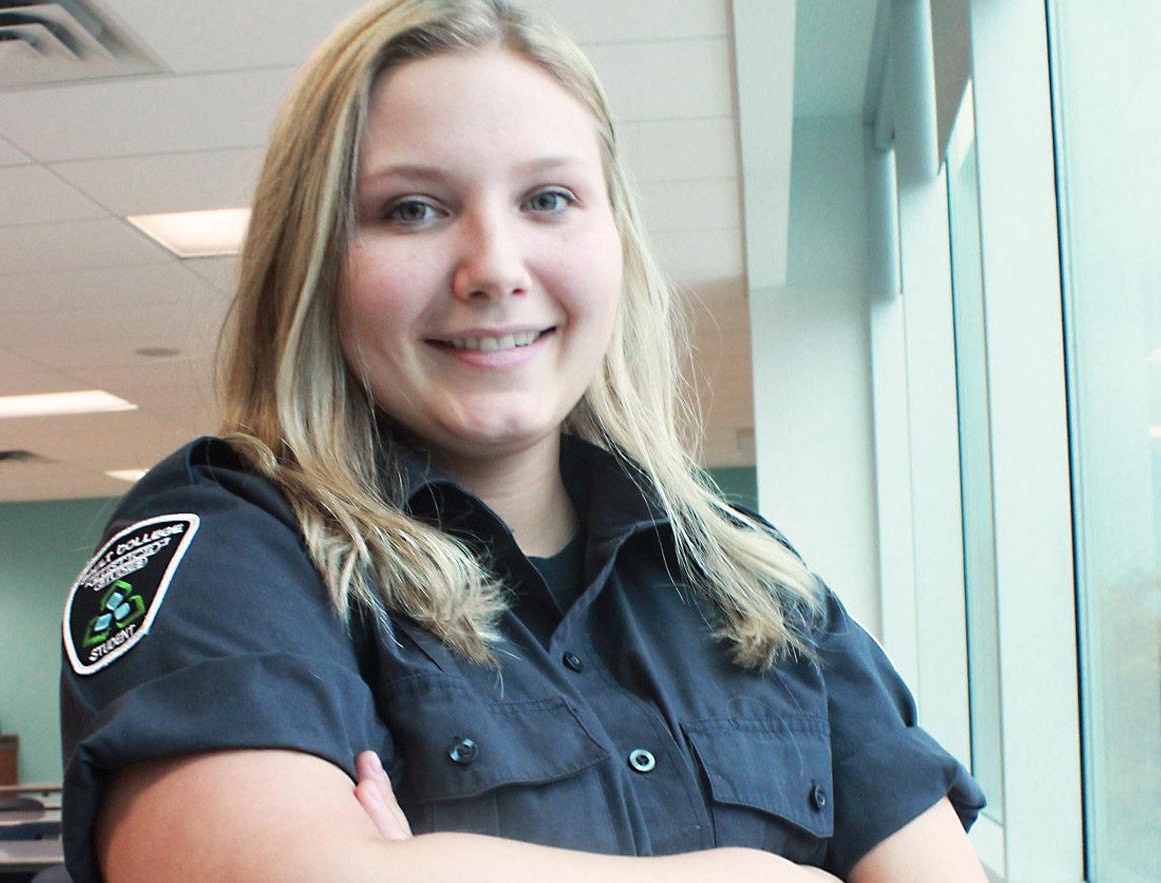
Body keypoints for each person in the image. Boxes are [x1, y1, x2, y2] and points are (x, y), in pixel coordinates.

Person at [55, 1, 986, 880]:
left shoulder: (749, 575)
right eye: (412, 209)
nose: (494, 268)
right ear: (315, 259)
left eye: (547, 199)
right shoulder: (236, 546)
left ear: (614, 238)